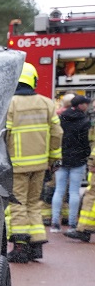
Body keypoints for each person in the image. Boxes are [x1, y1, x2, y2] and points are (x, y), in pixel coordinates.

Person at [5, 62, 62, 263]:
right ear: (33, 80)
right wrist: (53, 159)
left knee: (17, 204)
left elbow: (5, 134)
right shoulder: (47, 103)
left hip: (17, 166)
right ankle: (36, 245)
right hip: (40, 165)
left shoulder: (10, 104)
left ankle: (20, 248)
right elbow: (57, 134)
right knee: (33, 204)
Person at [51, 95, 92, 234]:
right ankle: (72, 223)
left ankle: (55, 223)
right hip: (78, 160)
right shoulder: (84, 120)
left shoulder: (61, 118)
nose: (87, 106)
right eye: (86, 104)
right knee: (74, 192)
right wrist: (86, 154)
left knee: (59, 190)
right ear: (80, 105)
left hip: (62, 159)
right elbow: (85, 142)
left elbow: (56, 136)